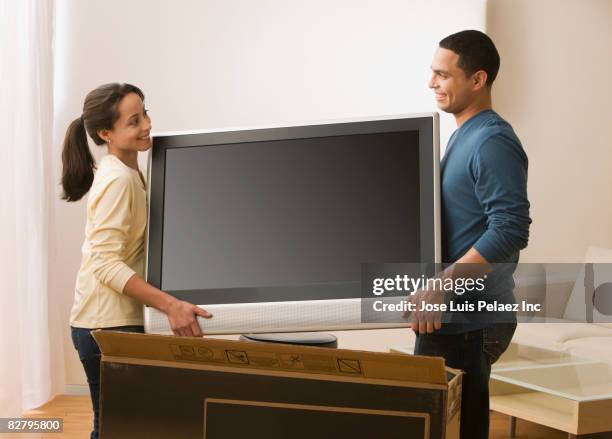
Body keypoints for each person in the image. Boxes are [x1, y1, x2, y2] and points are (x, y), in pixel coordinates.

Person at [61, 83, 213, 439]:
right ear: (105, 133)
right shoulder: (118, 180)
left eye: (144, 112)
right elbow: (105, 263)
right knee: (118, 430)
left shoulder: (128, 172)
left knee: (126, 428)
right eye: (133, 121)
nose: (146, 124)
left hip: (109, 322)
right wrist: (171, 305)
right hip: (105, 327)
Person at [410, 30, 532, 439]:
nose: (432, 83)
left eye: (443, 75)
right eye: (432, 73)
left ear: (477, 80)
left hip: (471, 321)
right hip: (450, 317)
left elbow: (510, 228)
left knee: (457, 430)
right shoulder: (464, 134)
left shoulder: (493, 140)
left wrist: (443, 285)